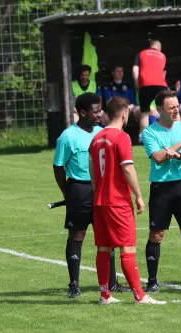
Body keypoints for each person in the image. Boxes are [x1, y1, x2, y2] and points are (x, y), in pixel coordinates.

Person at [88, 96, 165, 305]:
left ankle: (105, 295)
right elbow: (127, 167)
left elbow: (93, 173)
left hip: (100, 202)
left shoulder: (96, 139)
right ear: (124, 114)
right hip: (117, 201)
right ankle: (140, 296)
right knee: (127, 248)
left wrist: (97, 193)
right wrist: (138, 195)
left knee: (104, 248)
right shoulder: (121, 137)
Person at [53, 93, 130, 298]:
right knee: (77, 235)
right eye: (95, 111)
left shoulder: (102, 132)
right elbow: (58, 167)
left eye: (100, 110)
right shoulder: (68, 136)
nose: (99, 114)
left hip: (103, 190)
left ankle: (113, 283)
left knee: (107, 237)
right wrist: (67, 191)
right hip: (79, 190)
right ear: (83, 112)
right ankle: (74, 285)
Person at [141, 90, 181, 292]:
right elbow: (158, 157)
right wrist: (180, 146)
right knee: (157, 234)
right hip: (161, 188)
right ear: (159, 110)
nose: (176, 110)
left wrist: (176, 154)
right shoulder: (150, 132)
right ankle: (152, 281)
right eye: (171, 107)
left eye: (177, 106)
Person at [132, 40, 168, 142]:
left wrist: (137, 84)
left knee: (144, 113)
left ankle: (142, 138)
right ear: (159, 48)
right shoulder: (162, 56)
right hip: (161, 84)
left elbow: (135, 70)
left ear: (150, 46)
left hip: (145, 84)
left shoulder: (141, 54)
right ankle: (172, 135)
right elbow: (163, 73)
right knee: (167, 110)